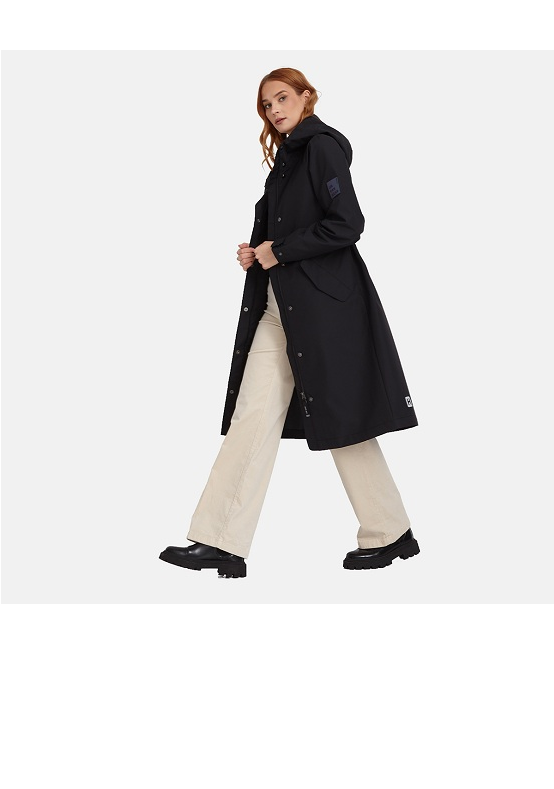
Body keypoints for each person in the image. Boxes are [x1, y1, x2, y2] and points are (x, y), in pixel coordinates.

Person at [160, 67, 420, 579]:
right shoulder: (286, 159)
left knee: (343, 421)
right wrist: (258, 254)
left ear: (306, 97)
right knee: (252, 416)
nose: (275, 109)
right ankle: (220, 540)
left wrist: (278, 250)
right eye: (266, 104)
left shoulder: (321, 147)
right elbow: (290, 231)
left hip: (323, 309)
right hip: (281, 307)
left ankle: (389, 532)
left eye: (282, 98)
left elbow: (347, 224)